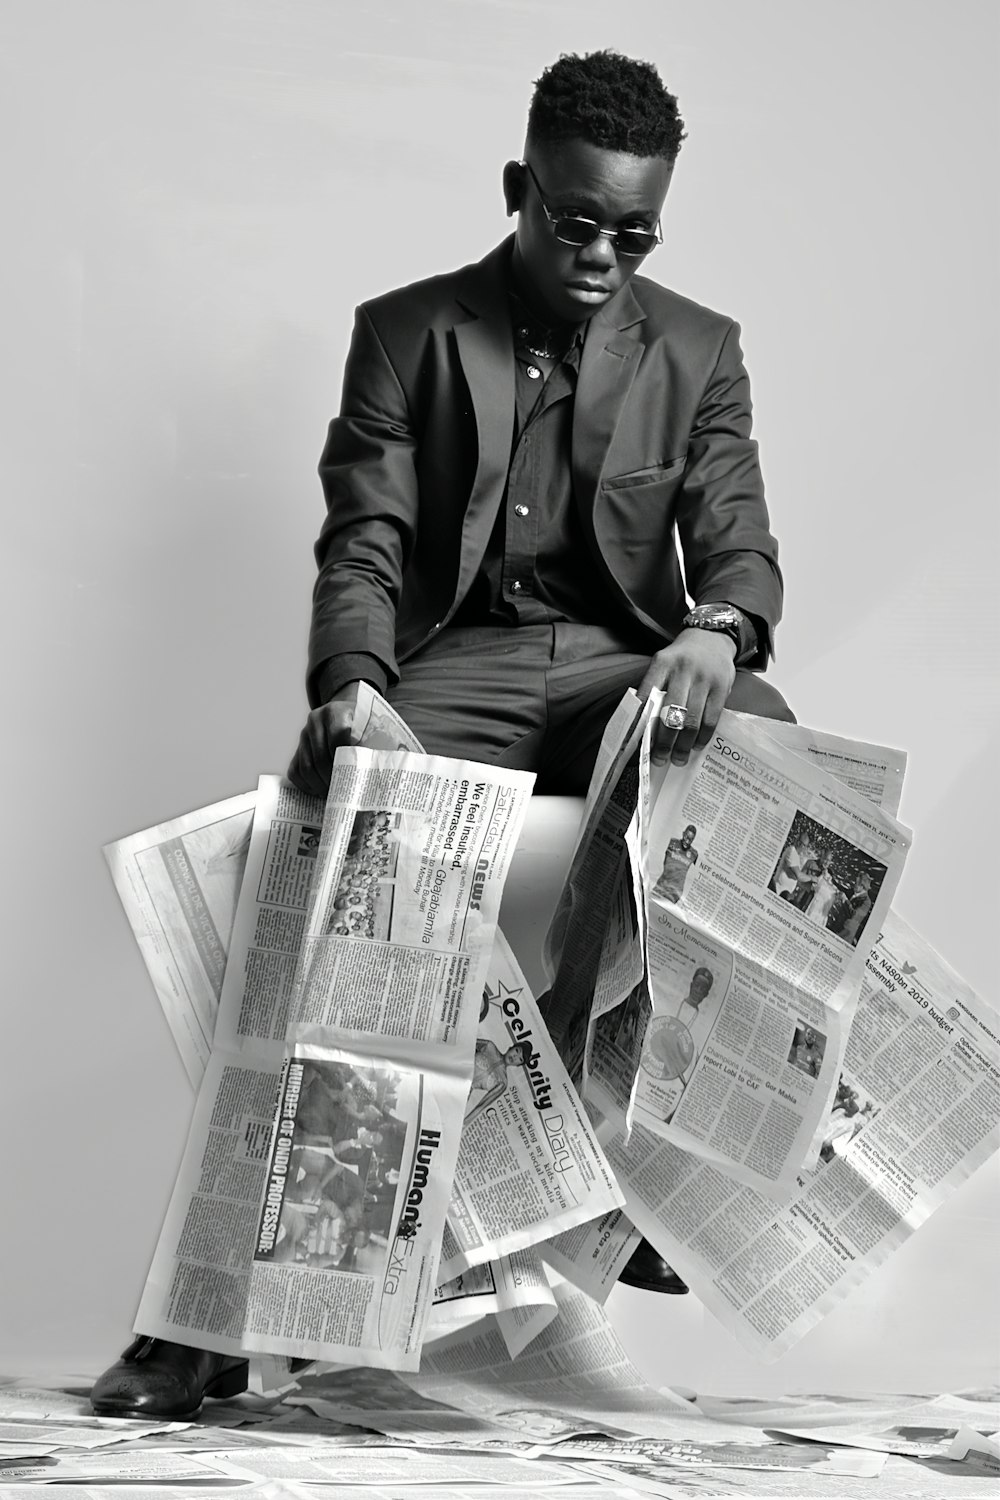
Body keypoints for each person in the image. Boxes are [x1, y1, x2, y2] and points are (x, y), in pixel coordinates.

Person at [92, 48, 794, 1416]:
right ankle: (207, 1318)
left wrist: (720, 631)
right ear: (521, 186)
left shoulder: (699, 350)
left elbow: (741, 544)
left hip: (614, 675)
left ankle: (632, 1170)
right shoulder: (408, 333)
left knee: (765, 750)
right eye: (578, 220)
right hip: (453, 666)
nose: (604, 254)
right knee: (330, 868)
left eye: (635, 232)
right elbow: (365, 538)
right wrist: (350, 679)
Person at [653, 825, 700, 903]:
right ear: (683, 834)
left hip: (675, 892)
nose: (687, 841)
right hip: (662, 885)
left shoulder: (694, 854)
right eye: (686, 836)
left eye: (691, 839)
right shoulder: (672, 842)